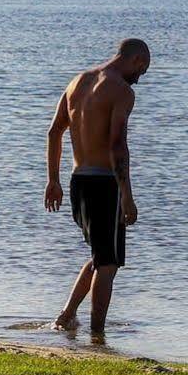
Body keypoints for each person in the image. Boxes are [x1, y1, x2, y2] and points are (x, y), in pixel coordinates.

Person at [44, 38, 151, 343]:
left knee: (99, 255)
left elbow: (54, 132)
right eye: (142, 70)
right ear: (136, 61)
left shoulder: (78, 82)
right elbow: (118, 146)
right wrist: (127, 196)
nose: (141, 78)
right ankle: (97, 335)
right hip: (105, 184)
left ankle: (66, 316)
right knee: (108, 263)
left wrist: (53, 180)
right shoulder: (121, 91)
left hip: (78, 180)